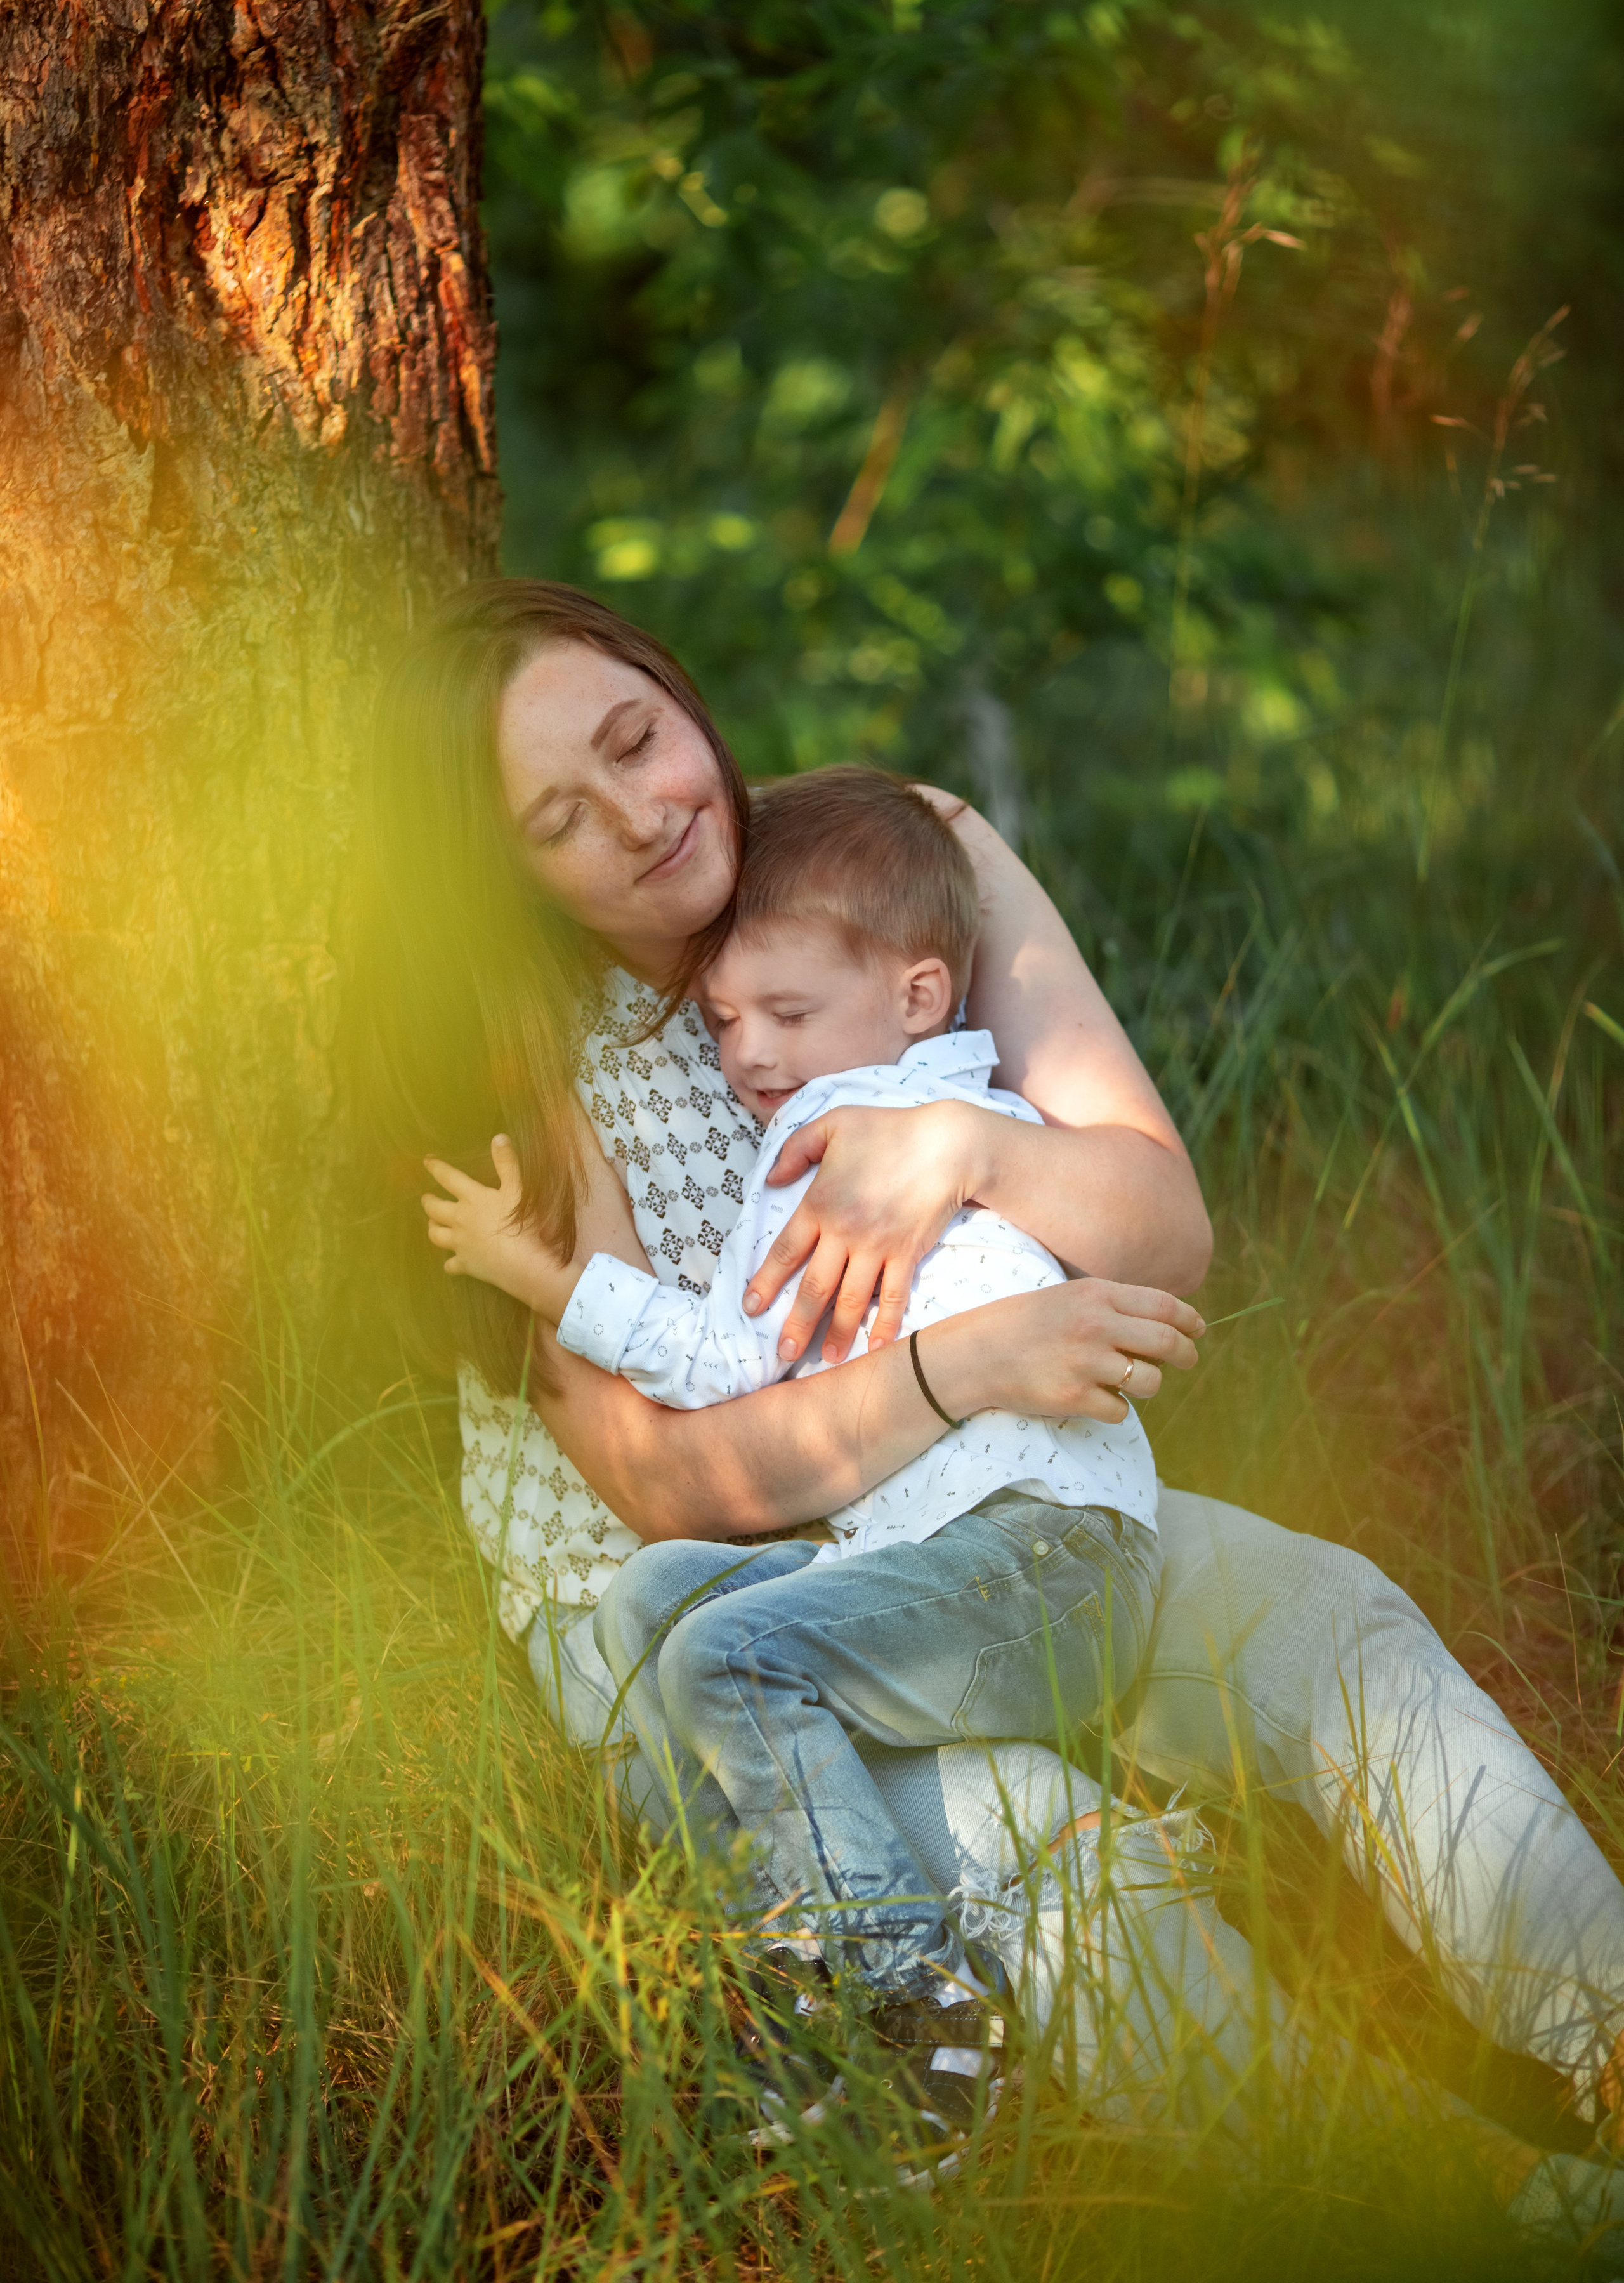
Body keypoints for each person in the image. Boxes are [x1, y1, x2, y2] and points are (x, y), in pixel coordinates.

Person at [352, 576, 1624, 2182]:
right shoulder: (514, 1052)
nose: (638, 815)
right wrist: (966, 1365)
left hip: (964, 1518)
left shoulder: (899, 857)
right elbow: (670, 1487)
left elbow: (1159, 1233)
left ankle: (1611, 2039)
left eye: (636, 738)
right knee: (1041, 1838)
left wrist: (962, 1144)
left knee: (1325, 1615)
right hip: (701, 1624)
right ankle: (1488, 2219)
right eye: (557, 815)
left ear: (678, 693)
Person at [421, 764, 1165, 2130]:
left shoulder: (936, 1125)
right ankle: (811, 1938)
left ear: (919, 999)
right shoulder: (810, 1145)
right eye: (723, 1021)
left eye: (787, 1014)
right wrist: (540, 1277)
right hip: (956, 1556)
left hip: (1046, 1559)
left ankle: (905, 2001)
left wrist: (548, 1284)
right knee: (656, 1607)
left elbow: (1152, 1230)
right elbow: (722, 1371)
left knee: (728, 1653)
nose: (750, 1054)